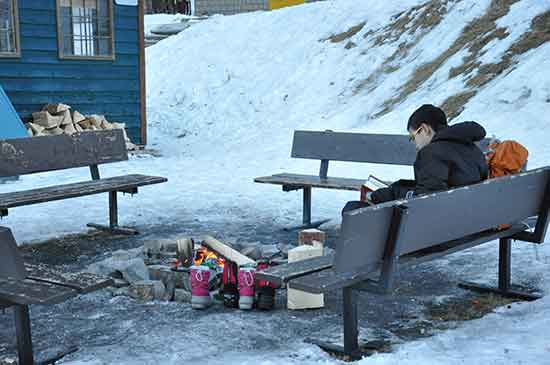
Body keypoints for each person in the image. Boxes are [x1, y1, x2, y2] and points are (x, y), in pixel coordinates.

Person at [342, 104, 488, 213]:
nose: (415, 144)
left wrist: (387, 194)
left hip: (439, 231)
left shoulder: (432, 152)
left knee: (352, 208)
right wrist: (398, 187)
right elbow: (440, 188)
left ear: (424, 129)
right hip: (468, 220)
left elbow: (426, 200)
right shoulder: (470, 147)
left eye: (413, 137)